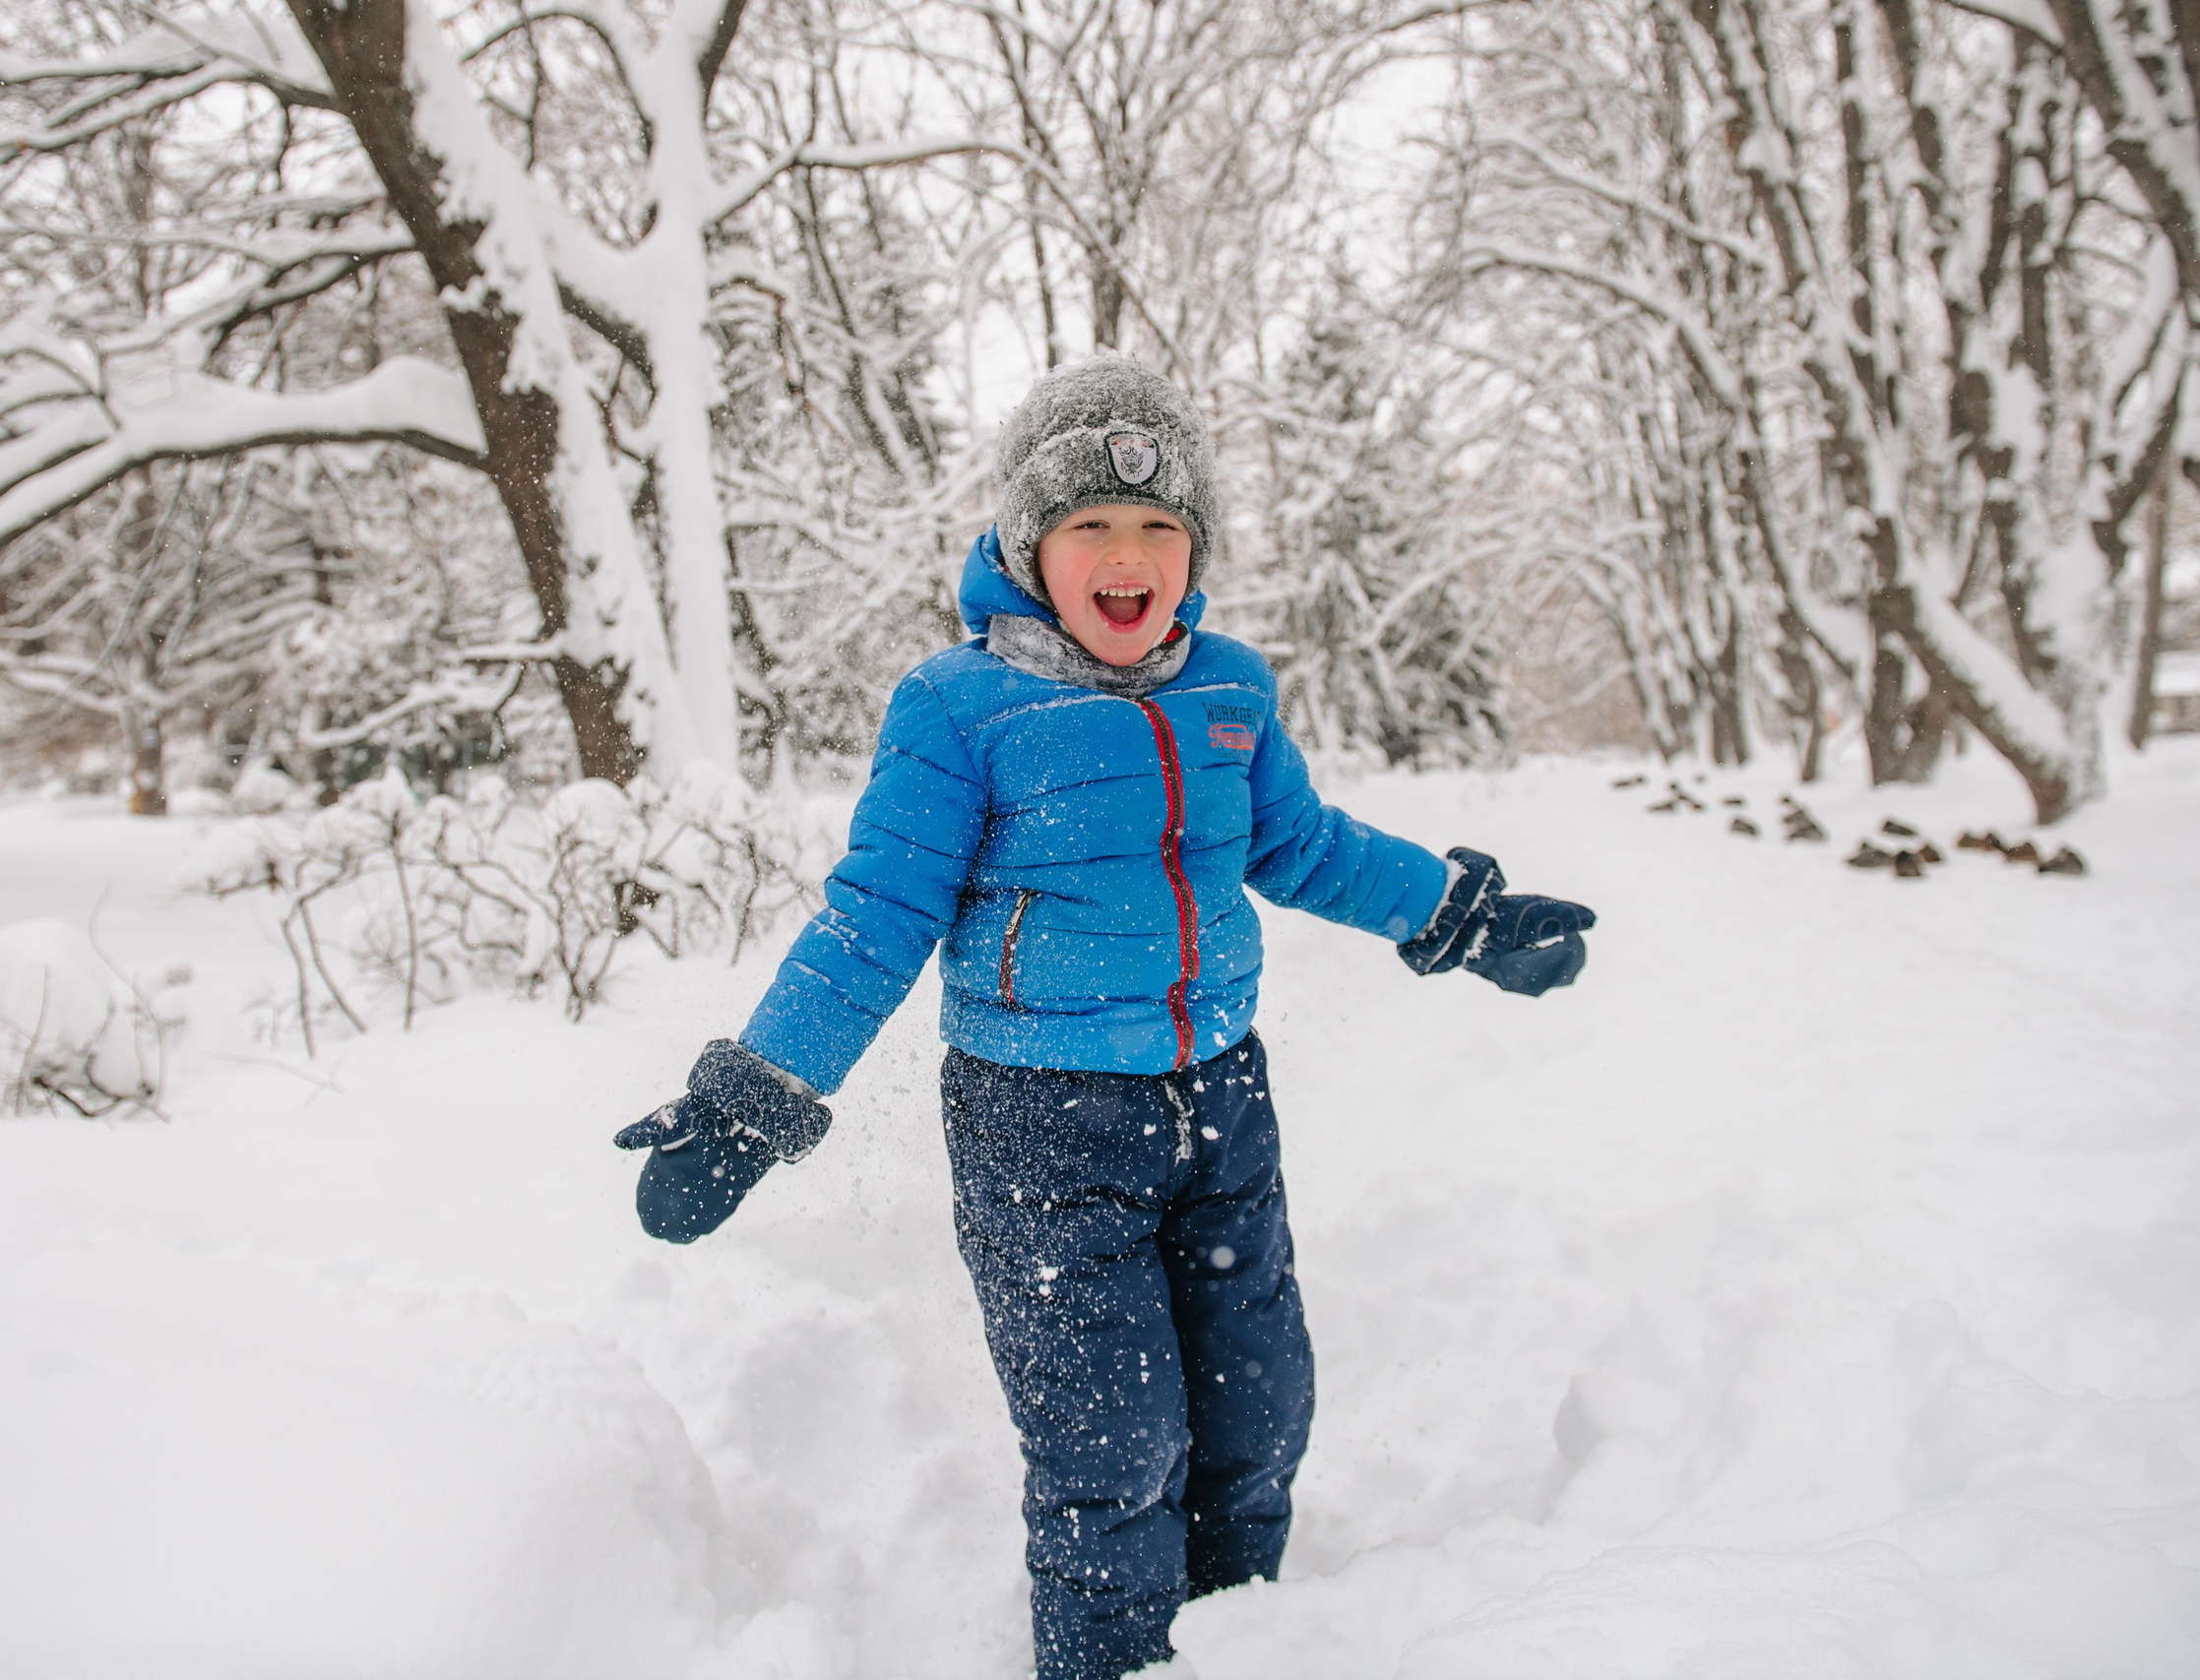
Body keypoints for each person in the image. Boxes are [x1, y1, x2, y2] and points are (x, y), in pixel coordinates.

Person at [613, 356, 1596, 1679]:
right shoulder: (960, 710)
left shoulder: (1231, 690)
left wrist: (1452, 914)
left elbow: (1300, 844)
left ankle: (1249, 1646)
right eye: (1092, 526)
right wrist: (758, 1098)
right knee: (1112, 1453)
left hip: (1222, 1106)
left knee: (1260, 1415)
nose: (1129, 554)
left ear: (1195, 554)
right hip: (1042, 1135)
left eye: (1160, 529)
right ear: (1033, 546)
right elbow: (877, 915)